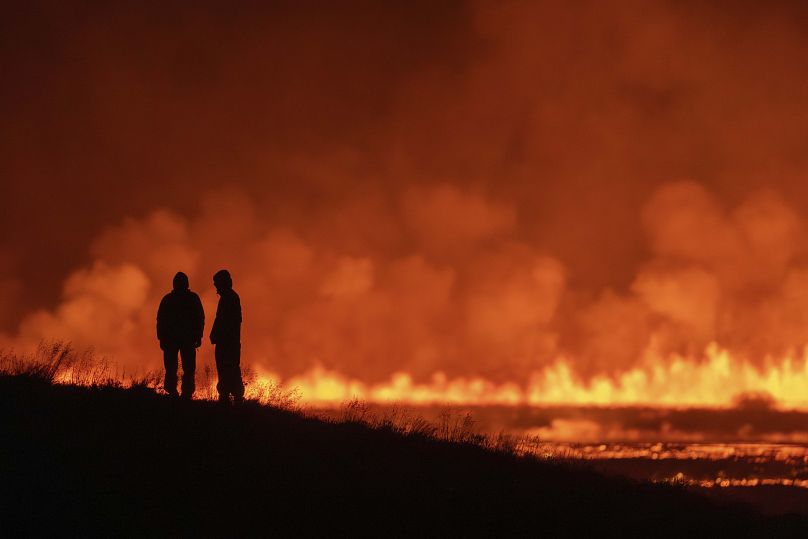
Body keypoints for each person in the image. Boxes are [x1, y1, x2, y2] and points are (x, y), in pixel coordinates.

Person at [156, 272, 204, 399]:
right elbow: (200, 318)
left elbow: (160, 320)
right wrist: (198, 336)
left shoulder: (168, 299)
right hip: (184, 338)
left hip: (175, 339)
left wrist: (161, 337)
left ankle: (176, 392)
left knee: (175, 367)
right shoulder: (192, 298)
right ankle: (184, 392)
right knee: (185, 367)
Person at [210, 269, 244, 403]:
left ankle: (230, 397)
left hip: (227, 343)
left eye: (216, 283)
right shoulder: (229, 297)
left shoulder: (229, 298)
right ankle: (233, 397)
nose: (215, 286)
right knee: (228, 369)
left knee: (228, 369)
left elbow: (224, 321)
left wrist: (216, 334)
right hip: (229, 342)